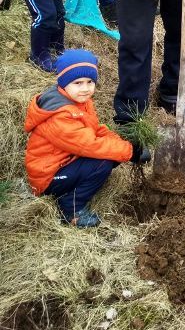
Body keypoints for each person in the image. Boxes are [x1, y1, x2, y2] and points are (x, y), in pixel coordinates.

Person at [24, 49, 148, 228]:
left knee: (111, 152)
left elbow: (95, 130)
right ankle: (70, 208)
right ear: (64, 83)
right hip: (48, 177)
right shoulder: (60, 116)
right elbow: (90, 145)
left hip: (65, 161)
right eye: (78, 82)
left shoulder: (79, 101)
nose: (85, 88)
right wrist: (129, 152)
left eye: (90, 82)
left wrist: (125, 145)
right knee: (102, 162)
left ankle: (76, 188)